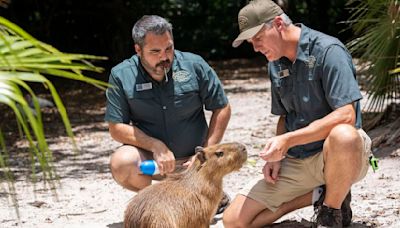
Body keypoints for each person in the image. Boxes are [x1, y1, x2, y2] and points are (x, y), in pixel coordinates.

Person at [223, 0, 372, 227]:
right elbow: (284, 116)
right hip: (298, 158)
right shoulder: (274, 63)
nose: (255, 47)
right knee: (234, 221)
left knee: (344, 134)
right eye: (250, 41)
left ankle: (330, 213)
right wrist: (278, 156)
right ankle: (318, 195)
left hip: (338, 155)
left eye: (258, 38)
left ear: (279, 23)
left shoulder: (329, 50)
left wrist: (288, 140)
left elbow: (346, 115)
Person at [104, 15, 231, 212]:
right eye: (155, 51)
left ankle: (209, 191)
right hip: (154, 163)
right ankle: (157, 201)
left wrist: (206, 153)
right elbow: (116, 128)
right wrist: (155, 146)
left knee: (194, 212)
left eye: (169, 48)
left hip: (195, 161)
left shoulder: (194, 65)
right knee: (122, 163)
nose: (164, 57)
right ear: (138, 50)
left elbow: (222, 107)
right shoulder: (121, 75)